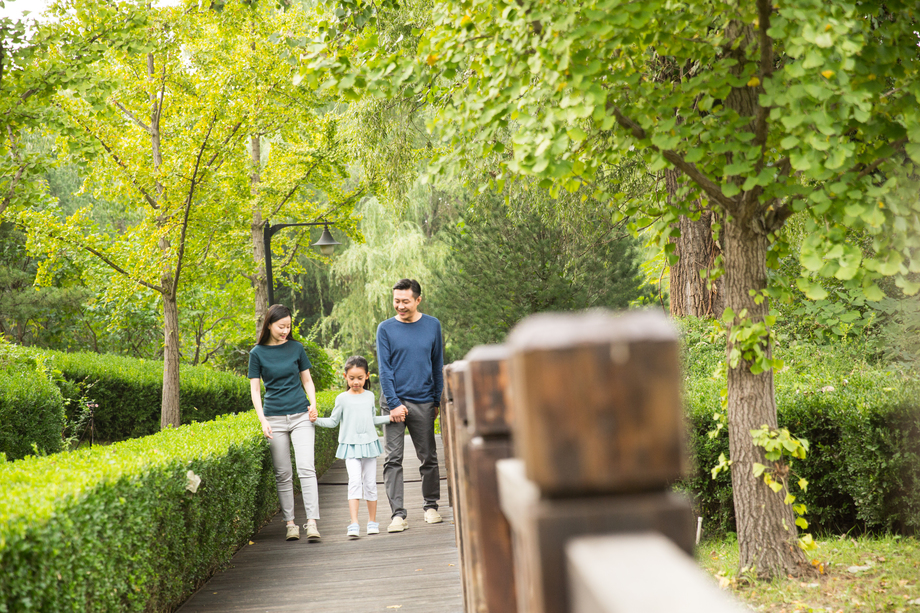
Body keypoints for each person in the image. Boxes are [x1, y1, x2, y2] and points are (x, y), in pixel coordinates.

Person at [376, 278, 445, 533]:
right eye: (396, 301)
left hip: (423, 400)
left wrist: (437, 399)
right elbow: (385, 370)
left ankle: (431, 507)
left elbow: (438, 364)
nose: (400, 306)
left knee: (428, 456)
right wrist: (394, 404)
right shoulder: (385, 328)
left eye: (405, 301)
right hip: (393, 402)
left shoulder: (432, 325)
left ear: (418, 299)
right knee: (393, 458)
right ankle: (397, 514)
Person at [248, 304, 321, 542]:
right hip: (274, 418)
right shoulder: (257, 353)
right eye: (281, 326)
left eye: (288, 326)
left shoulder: (296, 348)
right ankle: (290, 524)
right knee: (283, 473)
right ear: (269, 324)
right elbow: (256, 390)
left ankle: (311, 522)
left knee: (306, 468)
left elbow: (308, 381)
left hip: (301, 415)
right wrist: (262, 420)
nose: (285, 331)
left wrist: (313, 403)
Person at [312, 355, 395, 538]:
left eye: (359, 378)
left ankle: (372, 521)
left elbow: (372, 419)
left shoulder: (370, 396)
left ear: (367, 376)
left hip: (369, 446)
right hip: (350, 447)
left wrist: (390, 418)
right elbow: (334, 422)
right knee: (355, 482)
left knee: (371, 484)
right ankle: (354, 523)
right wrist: (315, 420)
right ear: (345, 377)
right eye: (351, 378)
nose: (355, 382)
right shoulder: (342, 399)